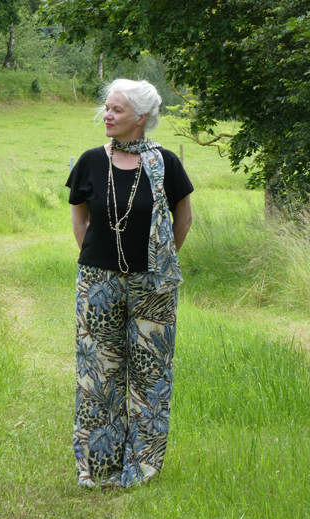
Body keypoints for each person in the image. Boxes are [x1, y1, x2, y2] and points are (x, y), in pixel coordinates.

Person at [66, 79, 194, 489]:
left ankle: (141, 468)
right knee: (97, 376)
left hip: (153, 285)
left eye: (116, 110)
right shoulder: (90, 161)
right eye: (107, 107)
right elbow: (80, 218)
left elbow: (183, 218)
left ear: (140, 117)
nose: (107, 115)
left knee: (150, 376)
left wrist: (158, 262)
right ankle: (98, 467)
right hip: (97, 283)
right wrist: (101, 260)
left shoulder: (166, 163)